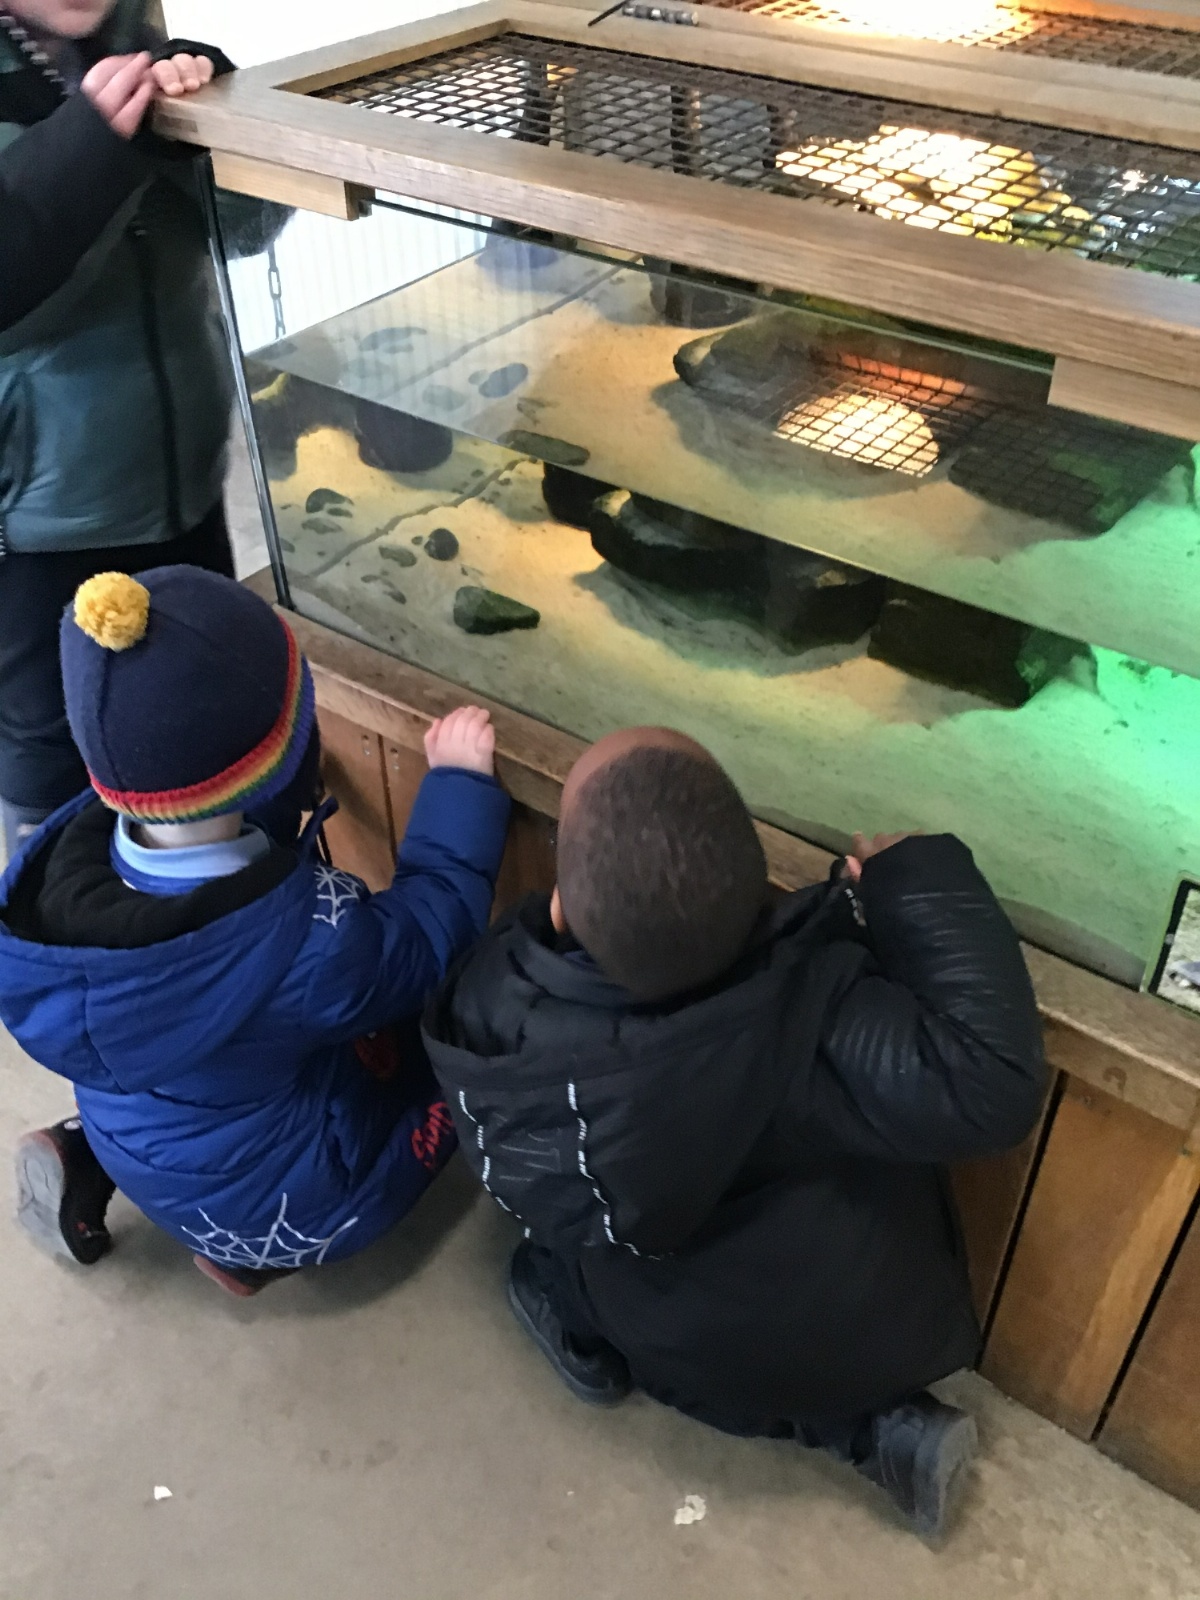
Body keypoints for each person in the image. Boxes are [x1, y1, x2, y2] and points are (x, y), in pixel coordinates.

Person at [423, 727, 1048, 1537]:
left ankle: (584, 1337)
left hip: (660, 1320)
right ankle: (873, 1429)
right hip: (818, 1330)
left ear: (562, 908)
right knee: (777, 1357)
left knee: (556, 1253)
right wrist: (915, 875)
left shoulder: (500, 1011)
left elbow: (518, 1169)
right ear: (759, 885)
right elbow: (995, 1080)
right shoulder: (818, 1011)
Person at [0, 566, 511, 1295]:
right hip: (290, 1205)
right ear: (281, 752)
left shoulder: (58, 876)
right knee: (463, 1069)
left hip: (142, 1143)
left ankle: (95, 1157)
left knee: (198, 1080)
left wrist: (271, 800)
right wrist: (459, 784)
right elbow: (431, 934)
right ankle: (255, 1254)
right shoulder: (312, 946)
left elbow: (204, 813)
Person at [0, 0, 283, 858]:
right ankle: (50, 922)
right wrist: (97, 152)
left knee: (215, 726)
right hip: (41, 525)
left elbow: (246, 231)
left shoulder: (134, 34)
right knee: (59, 775)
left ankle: (246, 910)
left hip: (189, 483)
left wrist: (221, 119)